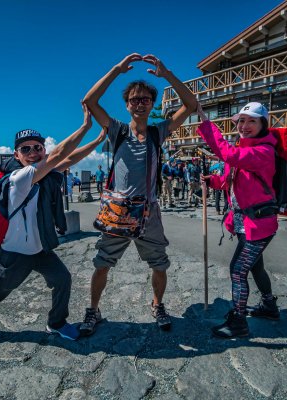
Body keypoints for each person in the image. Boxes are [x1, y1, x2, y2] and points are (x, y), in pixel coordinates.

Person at [0, 106, 98, 342]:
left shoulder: (44, 174)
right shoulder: (18, 179)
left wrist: (100, 138)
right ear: (16, 155)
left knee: (62, 279)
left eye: (38, 148)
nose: (33, 152)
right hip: (14, 255)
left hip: (39, 249)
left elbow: (70, 158)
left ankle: (56, 323)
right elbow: (59, 155)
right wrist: (85, 127)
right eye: (26, 149)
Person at [79, 53, 197, 336]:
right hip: (118, 212)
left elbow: (191, 105)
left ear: (152, 103)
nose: (140, 104)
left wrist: (167, 74)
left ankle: (158, 304)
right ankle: (93, 310)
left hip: (149, 212)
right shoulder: (116, 130)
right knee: (102, 264)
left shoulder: (159, 132)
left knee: (159, 263)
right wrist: (115, 70)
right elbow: (90, 101)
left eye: (145, 99)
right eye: (134, 99)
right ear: (127, 104)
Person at [197, 102, 279, 339]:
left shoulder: (263, 151)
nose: (244, 126)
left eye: (252, 121)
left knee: (237, 270)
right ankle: (269, 306)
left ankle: (239, 322)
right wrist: (212, 181)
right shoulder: (246, 149)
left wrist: (206, 125)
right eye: (241, 121)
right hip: (248, 224)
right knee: (255, 266)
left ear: (263, 124)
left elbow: (229, 155)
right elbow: (228, 180)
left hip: (258, 224)